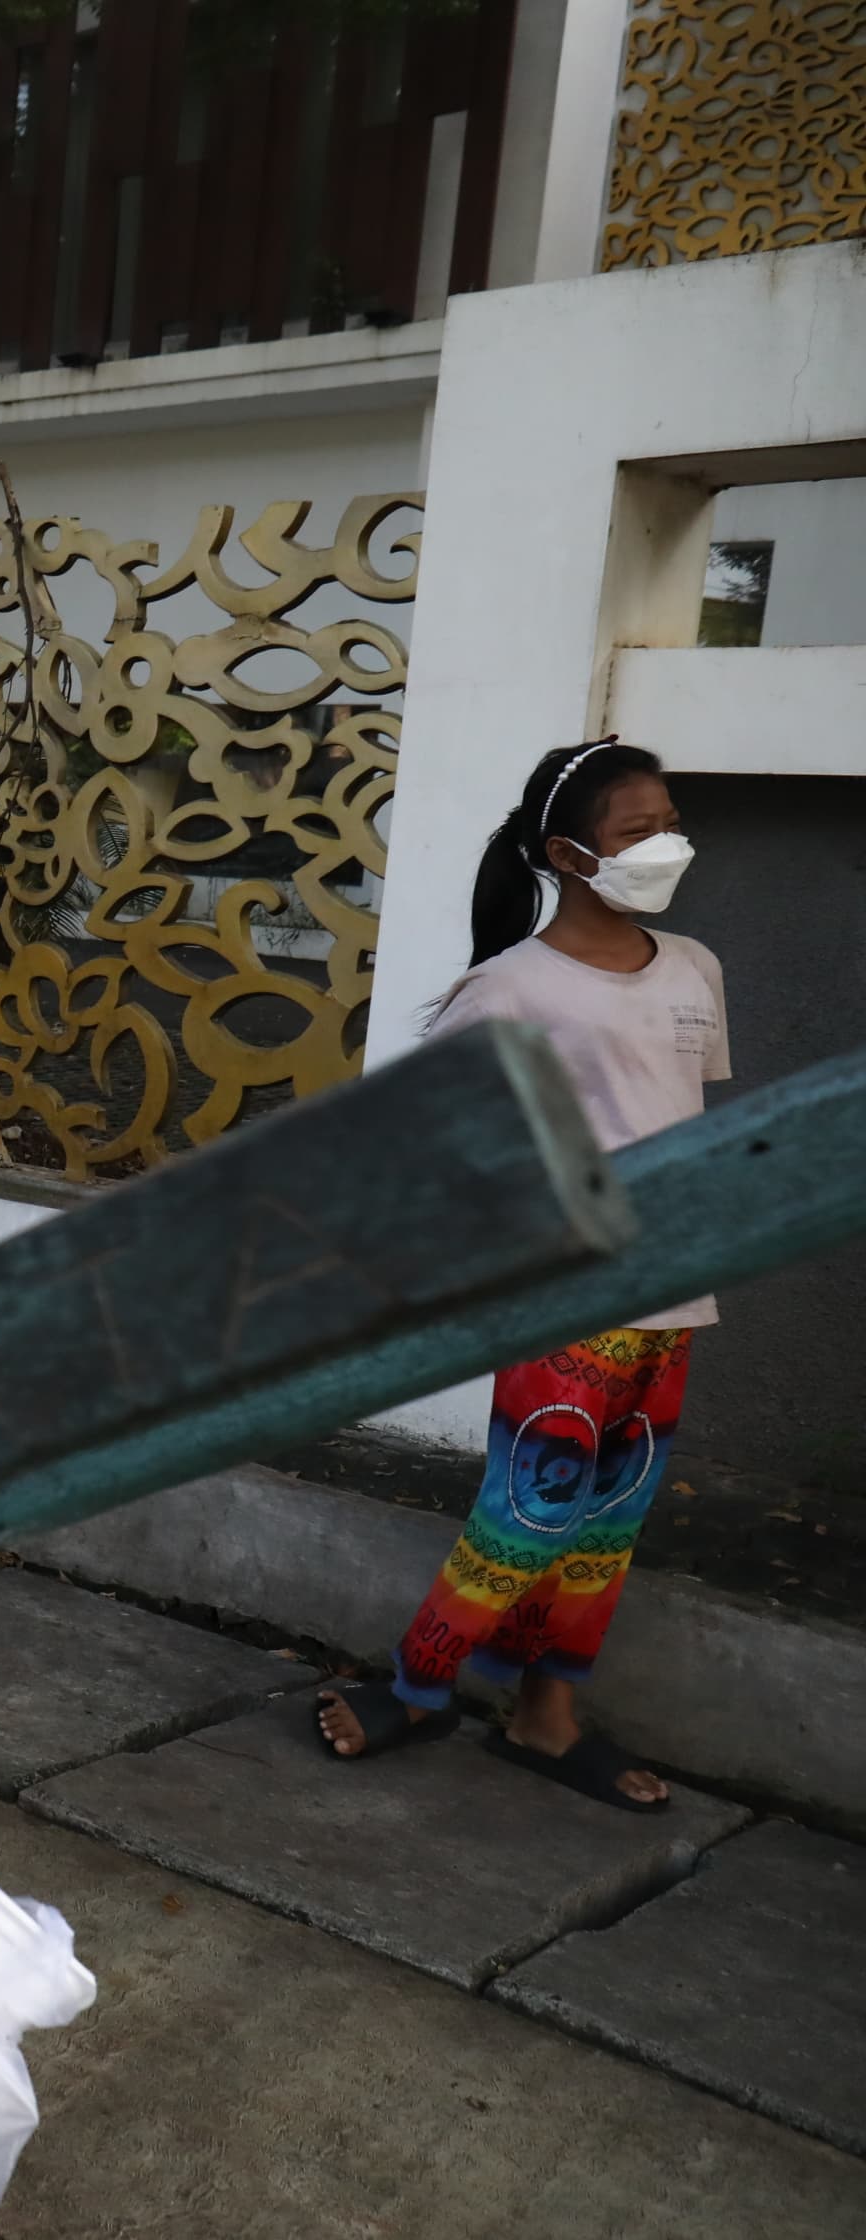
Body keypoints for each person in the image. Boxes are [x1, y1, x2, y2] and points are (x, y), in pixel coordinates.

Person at [316, 737, 724, 1811]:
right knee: (525, 1515)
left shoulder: (695, 968)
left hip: (673, 1298)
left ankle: (547, 1717)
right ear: (566, 851)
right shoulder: (511, 986)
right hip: (563, 1302)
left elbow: (684, 1117)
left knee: (605, 1527)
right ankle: (417, 1685)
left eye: (669, 821)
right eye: (640, 829)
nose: (667, 843)